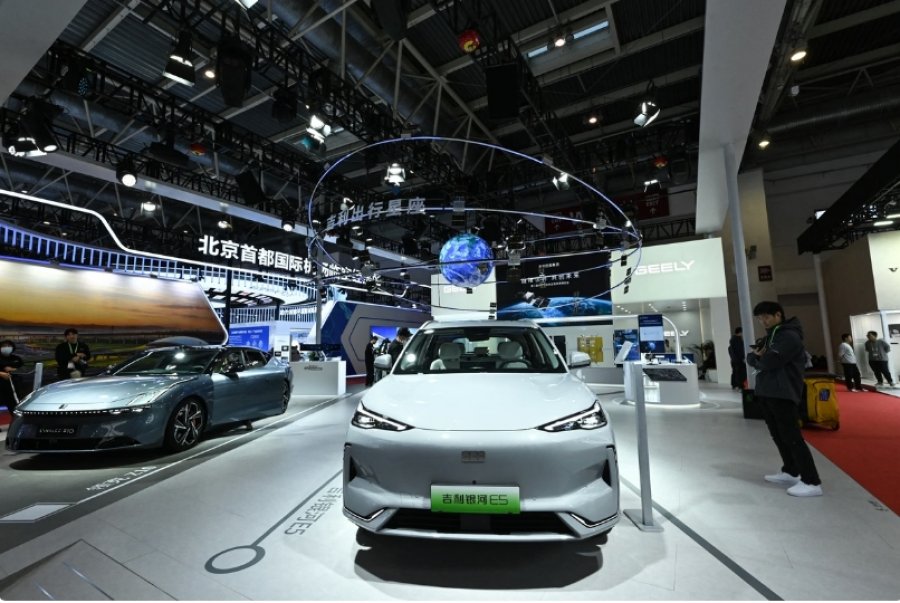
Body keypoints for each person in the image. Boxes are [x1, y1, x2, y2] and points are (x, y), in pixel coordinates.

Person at [746, 301, 823, 497]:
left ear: (778, 315)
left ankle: (811, 481)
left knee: (792, 437)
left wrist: (757, 358)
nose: (763, 321)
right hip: (768, 391)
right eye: (760, 318)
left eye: (766, 317)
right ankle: (791, 470)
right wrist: (757, 358)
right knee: (778, 435)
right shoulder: (772, 335)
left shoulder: (788, 336)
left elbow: (769, 361)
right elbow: (753, 357)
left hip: (783, 392)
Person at [0, 340, 24, 414]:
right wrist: (1, 374)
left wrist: (13, 369)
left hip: (14, 386)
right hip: (1, 386)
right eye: (4, 346)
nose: (6, 348)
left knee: (14, 405)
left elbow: (24, 369)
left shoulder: (16, 358)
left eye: (9, 346)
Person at [728, 327, 747, 391]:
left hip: (734, 360)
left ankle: (735, 385)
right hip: (739, 360)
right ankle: (740, 386)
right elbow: (740, 350)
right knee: (740, 373)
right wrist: (742, 358)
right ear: (740, 332)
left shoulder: (732, 340)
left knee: (735, 372)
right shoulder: (737, 340)